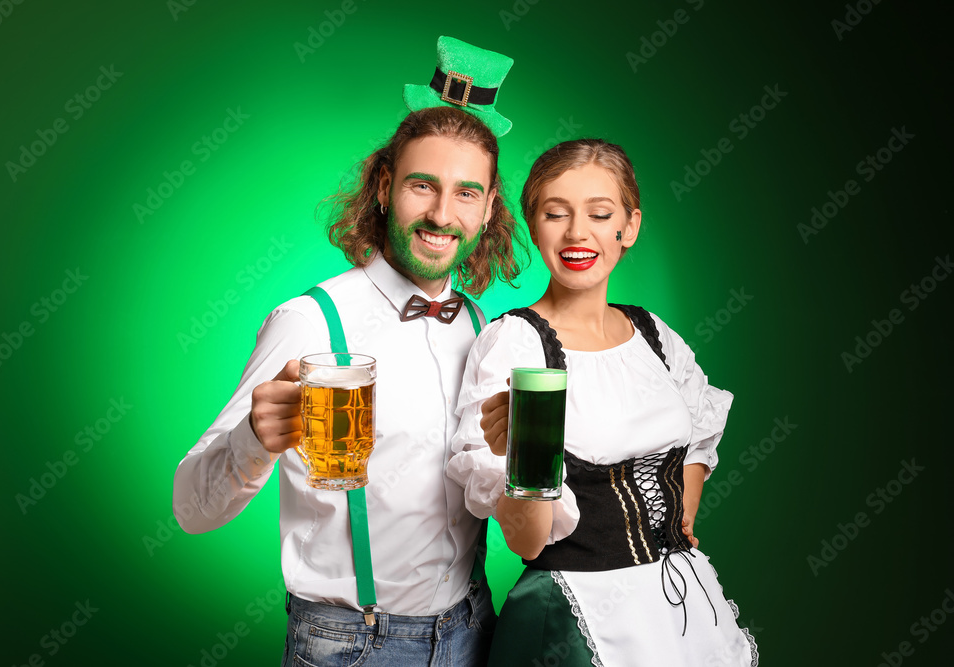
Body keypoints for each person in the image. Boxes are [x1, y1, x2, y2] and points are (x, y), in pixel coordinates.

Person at [174, 36, 525, 666]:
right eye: (423, 186)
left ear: (489, 207)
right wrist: (255, 438)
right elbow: (190, 508)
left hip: (476, 629)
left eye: (466, 193)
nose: (442, 215)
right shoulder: (310, 321)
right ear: (386, 187)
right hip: (353, 647)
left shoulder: (480, 326)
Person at [447, 139, 759, 666]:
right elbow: (527, 543)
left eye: (599, 213)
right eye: (555, 214)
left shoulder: (652, 333)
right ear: (533, 225)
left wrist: (678, 516)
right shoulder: (517, 344)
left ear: (629, 227)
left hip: (679, 602)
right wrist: (524, 458)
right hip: (574, 612)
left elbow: (699, 425)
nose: (577, 233)